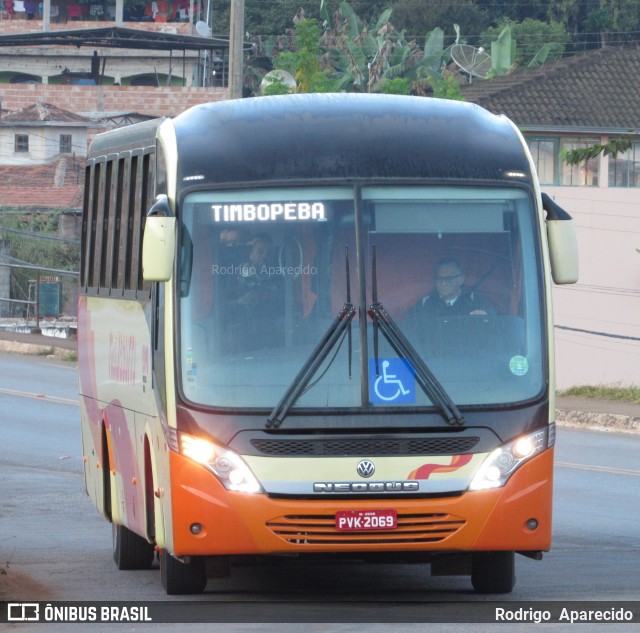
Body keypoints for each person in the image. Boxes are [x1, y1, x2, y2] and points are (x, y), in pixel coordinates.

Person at [415, 257, 495, 318]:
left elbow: (495, 326)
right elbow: (410, 328)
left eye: (448, 279)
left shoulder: (477, 300)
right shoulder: (425, 303)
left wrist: (486, 318)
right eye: (439, 278)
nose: (443, 283)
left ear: (461, 279)